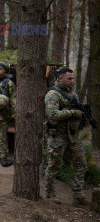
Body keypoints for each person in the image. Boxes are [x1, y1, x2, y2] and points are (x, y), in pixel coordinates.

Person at [44, 68, 89, 207]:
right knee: (53, 166)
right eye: (69, 78)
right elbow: (52, 114)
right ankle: (50, 195)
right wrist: (73, 113)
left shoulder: (71, 93)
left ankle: (78, 195)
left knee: (81, 164)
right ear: (60, 79)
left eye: (73, 78)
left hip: (73, 136)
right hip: (58, 136)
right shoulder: (53, 94)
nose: (72, 81)